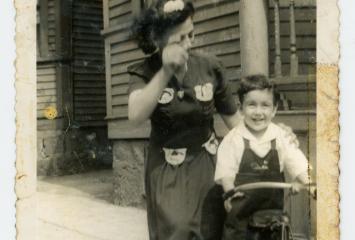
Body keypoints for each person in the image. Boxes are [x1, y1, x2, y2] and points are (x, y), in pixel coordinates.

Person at [128, 0, 297, 239]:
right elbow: (135, 115)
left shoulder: (209, 67)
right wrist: (165, 71)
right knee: (178, 229)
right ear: (159, 41)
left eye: (191, 34)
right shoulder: (145, 71)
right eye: (179, 39)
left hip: (208, 164)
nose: (189, 44)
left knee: (213, 229)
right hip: (168, 171)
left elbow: (235, 122)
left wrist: (273, 135)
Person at [214, 75, 310, 240]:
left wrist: (306, 182)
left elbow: (298, 163)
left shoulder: (281, 137)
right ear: (241, 108)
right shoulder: (233, 139)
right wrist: (230, 192)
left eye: (265, 105)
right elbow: (226, 174)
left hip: (272, 221)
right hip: (240, 224)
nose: (258, 112)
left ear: (274, 109)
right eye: (252, 105)